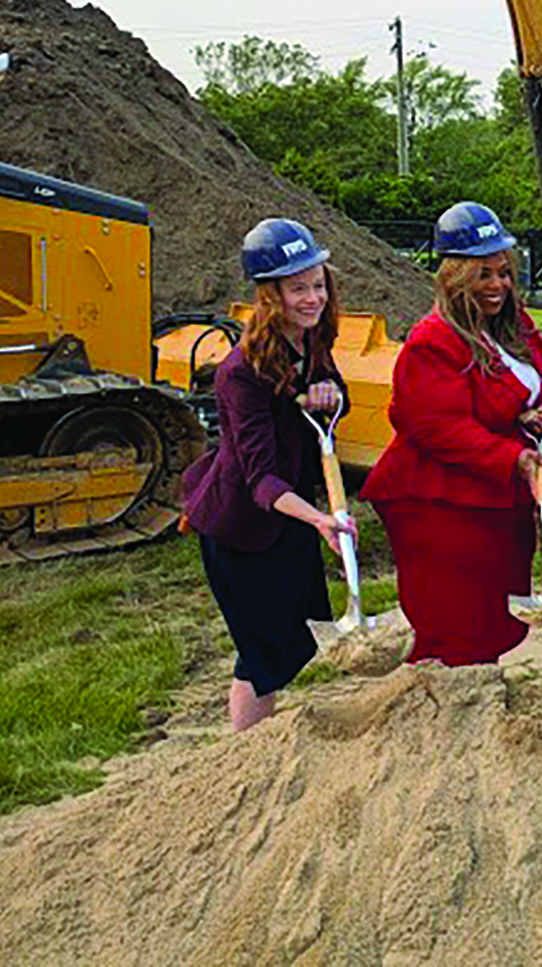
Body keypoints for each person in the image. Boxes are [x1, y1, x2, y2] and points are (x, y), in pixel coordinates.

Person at [362, 201, 542, 666]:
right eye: (483, 275)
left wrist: (528, 414)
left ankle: (478, 706)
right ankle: (440, 716)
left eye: (503, 273)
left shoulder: (513, 327)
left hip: (495, 499)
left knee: (493, 618)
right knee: (455, 624)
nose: (498, 286)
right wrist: (513, 456)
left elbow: (524, 386)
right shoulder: (433, 340)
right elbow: (433, 425)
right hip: (441, 504)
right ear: (453, 277)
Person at [180, 218, 355, 731]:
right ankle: (246, 755)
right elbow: (260, 479)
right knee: (260, 655)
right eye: (298, 288)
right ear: (270, 295)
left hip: (288, 518)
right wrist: (320, 520)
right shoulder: (240, 372)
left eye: (318, 285)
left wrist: (329, 397)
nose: (312, 298)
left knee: (285, 641)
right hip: (243, 526)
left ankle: (252, 747)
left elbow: (330, 399)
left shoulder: (312, 340)